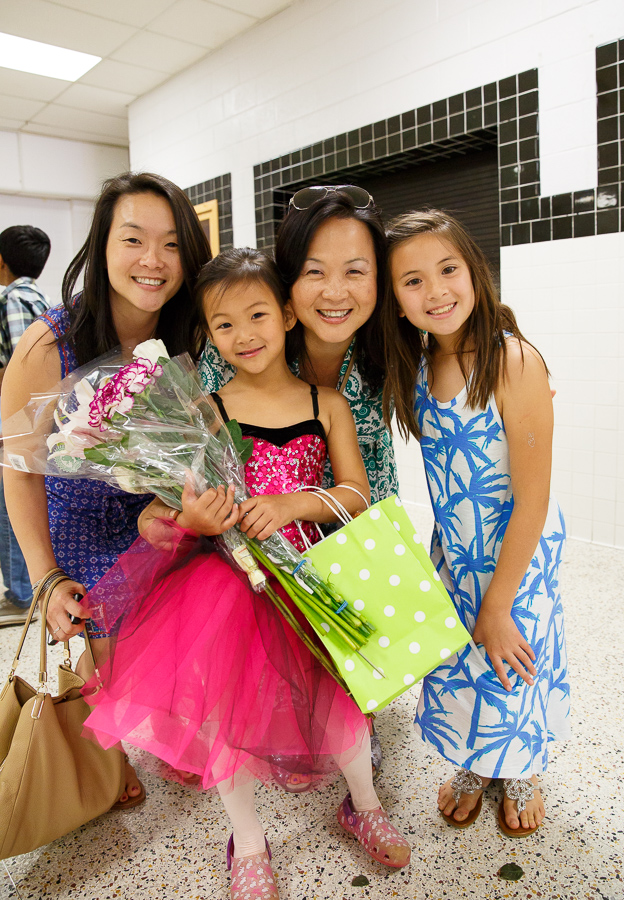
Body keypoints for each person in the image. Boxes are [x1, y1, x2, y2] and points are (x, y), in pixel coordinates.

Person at [81, 248, 411, 899]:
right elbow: (161, 511)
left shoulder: (326, 401)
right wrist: (193, 518)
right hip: (228, 587)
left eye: (257, 315)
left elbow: (356, 493)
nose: (244, 334)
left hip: (311, 577)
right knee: (226, 721)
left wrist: (293, 503)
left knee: (340, 703)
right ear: (208, 335)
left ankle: (363, 804)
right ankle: (249, 842)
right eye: (224, 324)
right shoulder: (205, 411)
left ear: (287, 315)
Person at [1, 172, 211, 808]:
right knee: (103, 652)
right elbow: (18, 466)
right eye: (134, 240)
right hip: (80, 522)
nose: (153, 260)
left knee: (174, 640)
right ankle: (108, 750)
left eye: (172, 244)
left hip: (155, 513)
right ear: (102, 246)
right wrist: (44, 577)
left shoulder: (190, 333)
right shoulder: (51, 342)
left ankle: (161, 726)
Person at [381, 209, 571, 837]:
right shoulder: (415, 366)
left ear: (475, 272)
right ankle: (476, 760)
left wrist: (499, 601)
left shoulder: (512, 361)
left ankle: (521, 769)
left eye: (448, 270)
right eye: (412, 281)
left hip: (518, 552)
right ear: (395, 299)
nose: (435, 291)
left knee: (511, 656)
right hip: (456, 551)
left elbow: (533, 500)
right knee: (465, 662)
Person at [199, 185, 394, 774]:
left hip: (352, 524)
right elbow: (198, 469)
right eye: (315, 271)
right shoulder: (230, 363)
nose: (335, 291)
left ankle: (356, 724)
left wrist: (511, 363)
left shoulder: (389, 343)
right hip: (258, 552)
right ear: (290, 287)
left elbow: (458, 326)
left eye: (355, 270)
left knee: (355, 649)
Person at [0, 225, 51, 625]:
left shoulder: (14, 300)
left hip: (23, 420)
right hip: (45, 420)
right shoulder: (42, 299)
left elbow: (23, 366)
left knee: (11, 499)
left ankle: (20, 595)